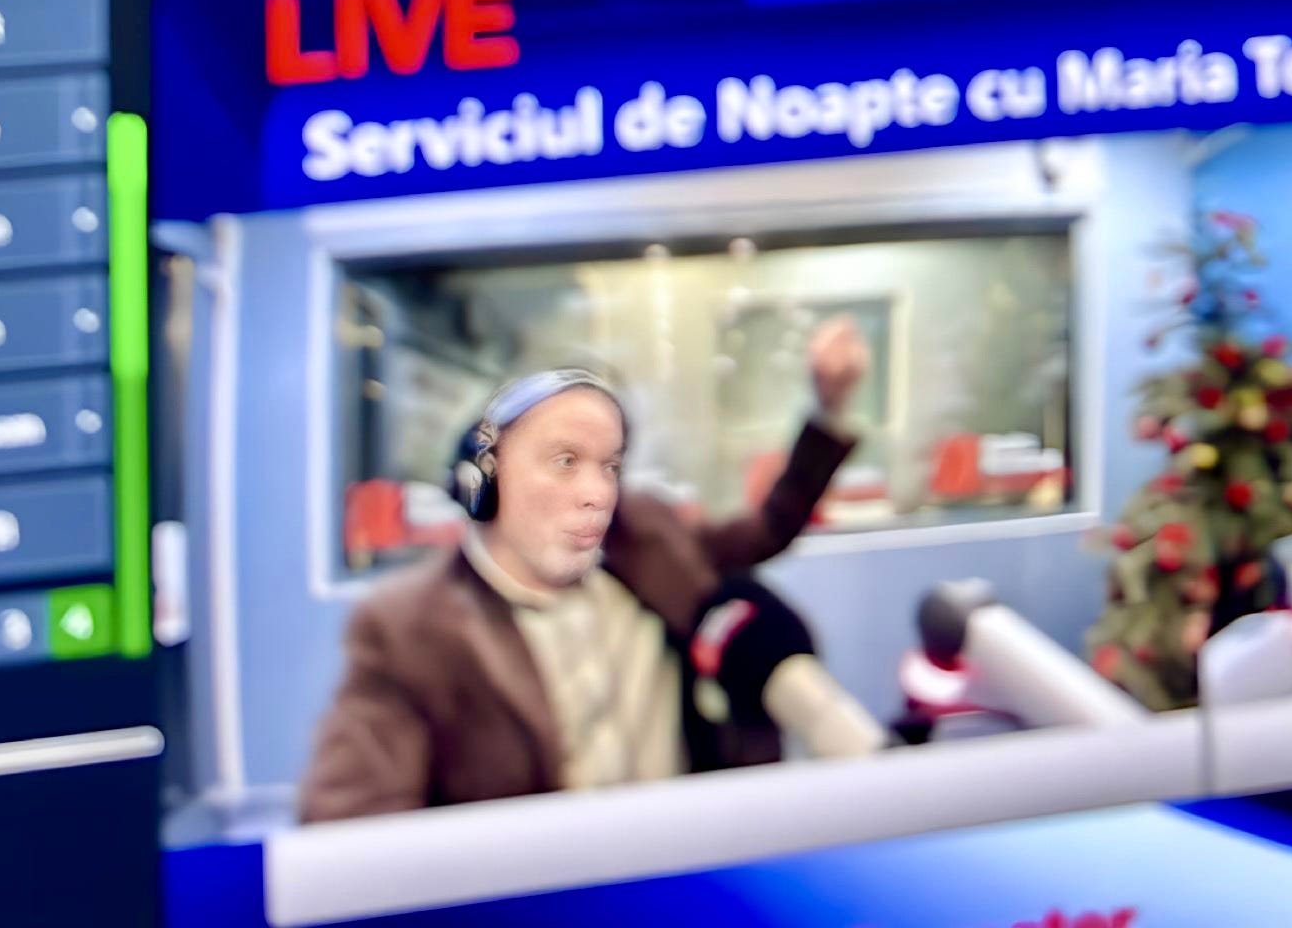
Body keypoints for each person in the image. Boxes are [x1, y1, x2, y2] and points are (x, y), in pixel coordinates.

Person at [299, 317, 869, 817]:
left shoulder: (644, 533)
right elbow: (351, 830)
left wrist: (829, 407)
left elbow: (768, 528)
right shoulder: (409, 630)